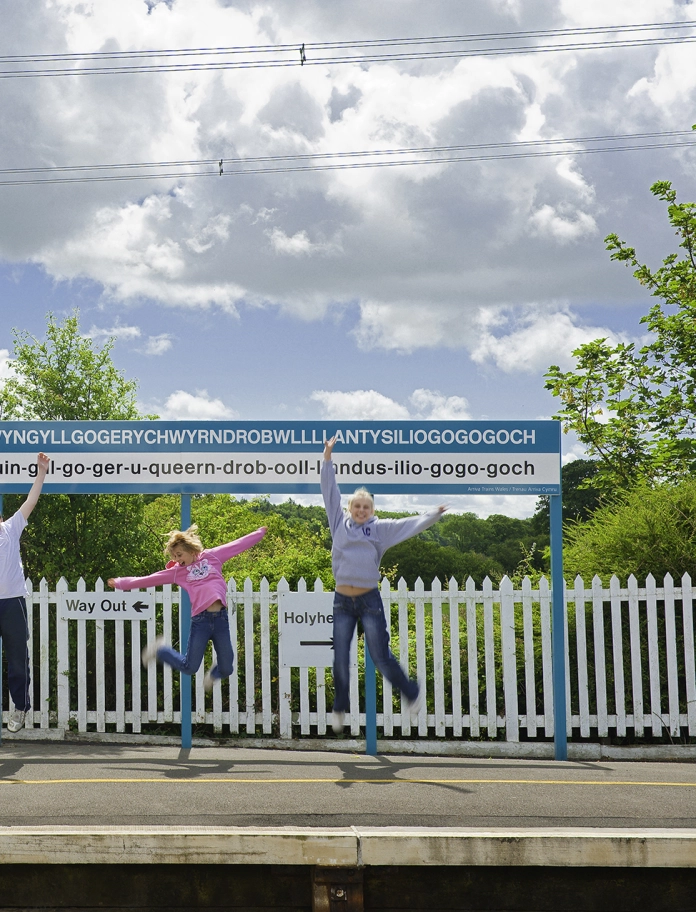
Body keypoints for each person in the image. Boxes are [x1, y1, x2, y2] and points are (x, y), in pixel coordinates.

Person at [321, 437, 447, 733]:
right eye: (357, 506)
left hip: (368, 600)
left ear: (372, 510)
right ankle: (340, 706)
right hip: (342, 601)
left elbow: (408, 524)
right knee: (340, 655)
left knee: (380, 655)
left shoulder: (379, 530)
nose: (361, 510)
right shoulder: (338, 523)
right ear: (350, 507)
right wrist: (327, 458)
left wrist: (433, 515)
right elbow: (330, 490)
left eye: (366, 506)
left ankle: (411, 692)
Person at [108, 523, 266, 690]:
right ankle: (161, 650)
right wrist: (120, 583)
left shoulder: (212, 557)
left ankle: (213, 675)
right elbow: (148, 579)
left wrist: (259, 533)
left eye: (179, 554)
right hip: (201, 621)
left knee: (227, 668)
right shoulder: (177, 572)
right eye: (174, 556)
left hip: (220, 619)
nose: (176, 559)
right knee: (190, 667)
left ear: (191, 550)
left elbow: (237, 545)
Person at [0, 452, 51, 733]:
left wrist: (41, 472)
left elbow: (31, 500)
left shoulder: (11, 527)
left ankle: (19, 708)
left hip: (12, 604)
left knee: (18, 658)